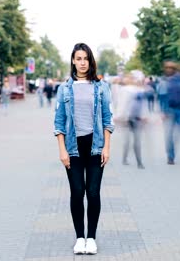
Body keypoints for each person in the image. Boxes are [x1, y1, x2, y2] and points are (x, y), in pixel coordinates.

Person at [54, 43, 114, 255]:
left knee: (93, 192)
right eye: (78, 58)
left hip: (96, 145)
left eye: (85, 59)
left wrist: (107, 146)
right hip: (73, 147)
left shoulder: (101, 87)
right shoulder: (64, 89)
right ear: (72, 60)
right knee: (77, 192)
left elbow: (107, 119)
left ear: (90, 61)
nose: (82, 62)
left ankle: (92, 238)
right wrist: (62, 149)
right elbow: (59, 122)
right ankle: (80, 237)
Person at [114, 72, 148, 169]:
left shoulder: (139, 90)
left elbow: (142, 105)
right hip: (128, 118)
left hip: (134, 118)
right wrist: (119, 116)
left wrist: (144, 115)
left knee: (134, 140)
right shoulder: (126, 90)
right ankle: (134, 161)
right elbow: (122, 104)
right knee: (130, 141)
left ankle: (138, 161)